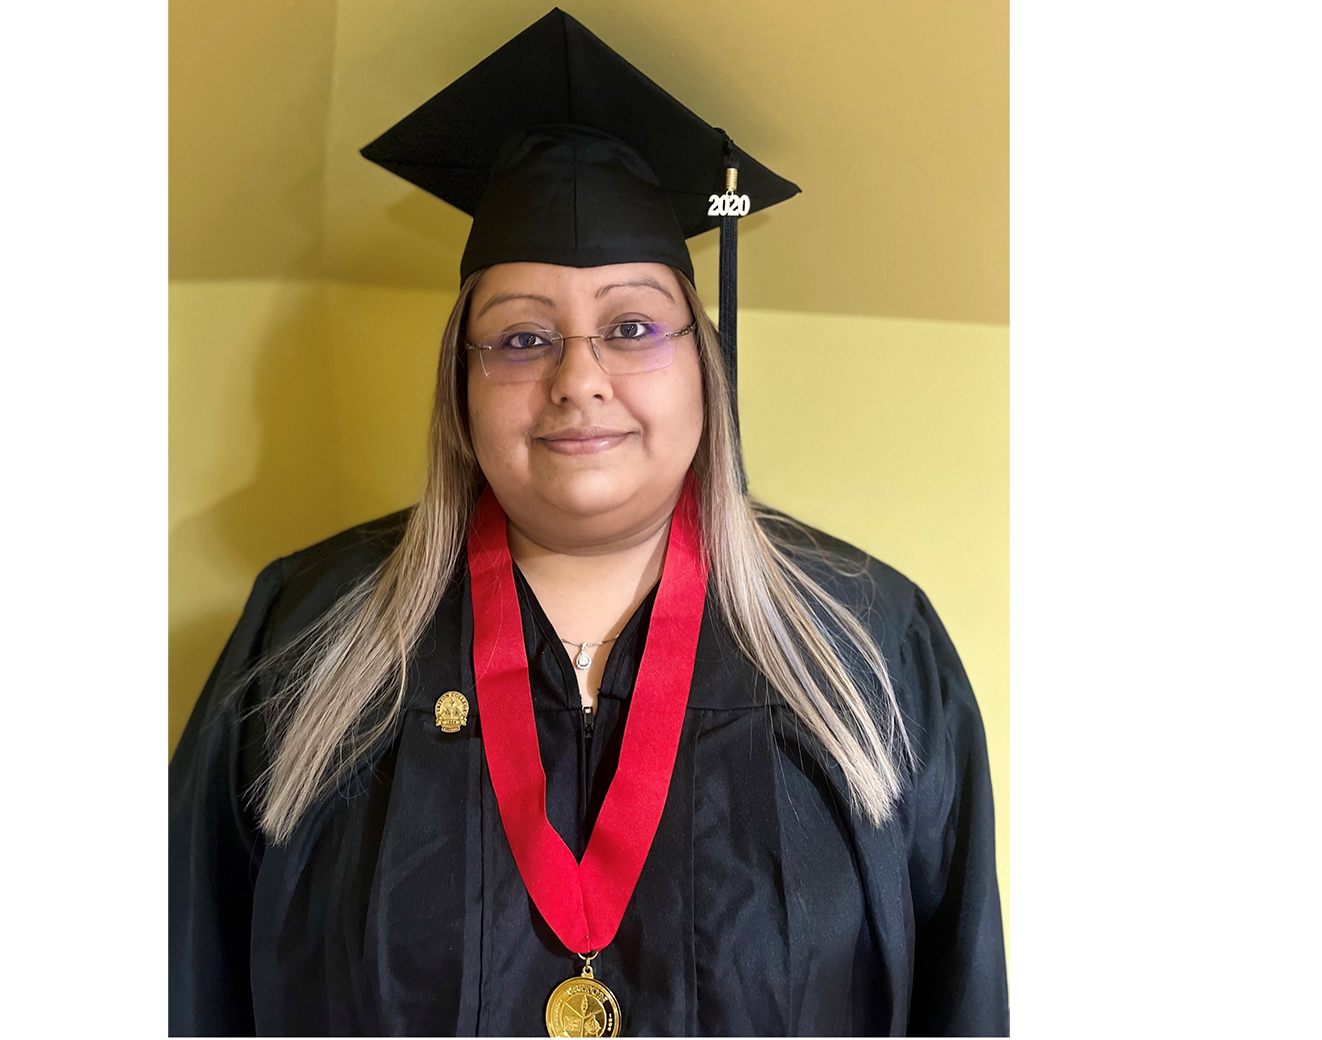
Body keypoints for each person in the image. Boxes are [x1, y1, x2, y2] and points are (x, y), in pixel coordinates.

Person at [172, 9, 1005, 1036]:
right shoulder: (303, 638)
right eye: (520, 336)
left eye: (631, 326)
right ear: (460, 383)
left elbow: (961, 1003)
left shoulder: (869, 646)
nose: (577, 380)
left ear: (703, 363)